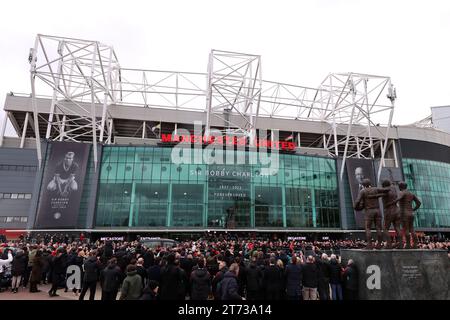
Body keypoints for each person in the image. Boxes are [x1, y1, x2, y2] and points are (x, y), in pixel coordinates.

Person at [354, 179, 386, 249]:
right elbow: (385, 190)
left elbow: (357, 201)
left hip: (369, 211)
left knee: (368, 228)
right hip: (378, 210)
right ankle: (379, 244)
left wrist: (355, 207)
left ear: (363, 185)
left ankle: (369, 245)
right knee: (378, 228)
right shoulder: (376, 189)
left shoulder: (363, 191)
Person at [390, 181, 422, 249]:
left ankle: (408, 244)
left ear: (400, 187)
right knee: (412, 229)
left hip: (404, 213)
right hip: (411, 213)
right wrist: (413, 209)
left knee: (406, 229)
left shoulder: (402, 192)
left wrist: (392, 202)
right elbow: (419, 203)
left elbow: (398, 198)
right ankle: (415, 244)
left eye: (399, 186)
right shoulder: (411, 194)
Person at [379, 179, 402, 248]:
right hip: (397, 210)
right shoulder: (394, 189)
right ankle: (400, 244)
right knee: (397, 227)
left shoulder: (385, 190)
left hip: (389, 211)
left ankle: (389, 244)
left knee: (385, 228)